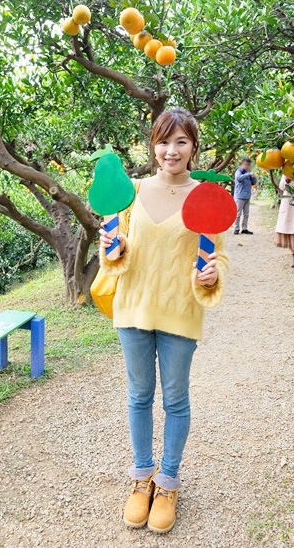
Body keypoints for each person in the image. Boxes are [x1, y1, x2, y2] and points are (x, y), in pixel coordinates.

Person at [98, 108, 229, 535]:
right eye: (163, 141)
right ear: (152, 145)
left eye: (181, 142)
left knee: (175, 399)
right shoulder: (130, 193)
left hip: (179, 313)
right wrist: (111, 248)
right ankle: (141, 479)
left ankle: (168, 483)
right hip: (133, 309)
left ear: (193, 147)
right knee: (138, 396)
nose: (170, 151)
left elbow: (218, 256)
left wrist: (213, 273)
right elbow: (116, 251)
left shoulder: (205, 196)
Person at [232, 157, 257, 234]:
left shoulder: (248, 172)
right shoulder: (238, 172)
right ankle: (236, 228)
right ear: (241, 165)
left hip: (247, 196)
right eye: (245, 165)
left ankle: (244, 228)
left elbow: (254, 182)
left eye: (248, 165)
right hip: (239, 196)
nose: (247, 166)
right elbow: (239, 178)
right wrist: (249, 174)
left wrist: (253, 177)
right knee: (238, 214)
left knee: (246, 214)